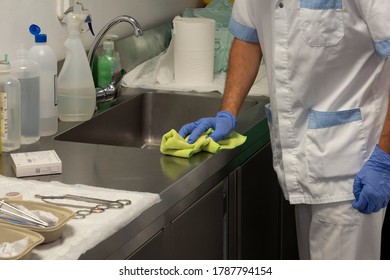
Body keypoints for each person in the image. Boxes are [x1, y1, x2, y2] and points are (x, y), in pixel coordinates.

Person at [178, 0, 390, 259]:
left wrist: (385, 157)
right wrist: (227, 112)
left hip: (353, 171)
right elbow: (248, 39)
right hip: (300, 166)